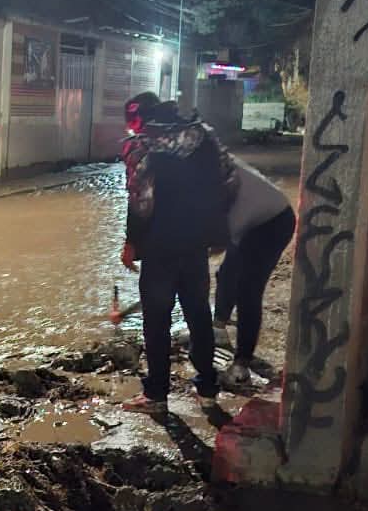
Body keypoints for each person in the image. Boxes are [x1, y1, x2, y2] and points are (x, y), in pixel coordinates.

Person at [120, 93, 237, 415]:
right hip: (196, 242)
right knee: (198, 314)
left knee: (156, 321)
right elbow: (229, 179)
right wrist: (215, 228)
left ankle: (157, 395)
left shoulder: (144, 146)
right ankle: (208, 389)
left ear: (141, 119)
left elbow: (140, 200)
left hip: (160, 245)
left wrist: (131, 242)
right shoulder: (205, 136)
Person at [214, 154, 296, 391]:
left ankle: (241, 365)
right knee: (226, 274)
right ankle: (218, 329)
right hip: (249, 220)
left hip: (273, 222)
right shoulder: (206, 161)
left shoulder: (211, 180)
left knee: (248, 291)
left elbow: (214, 244)